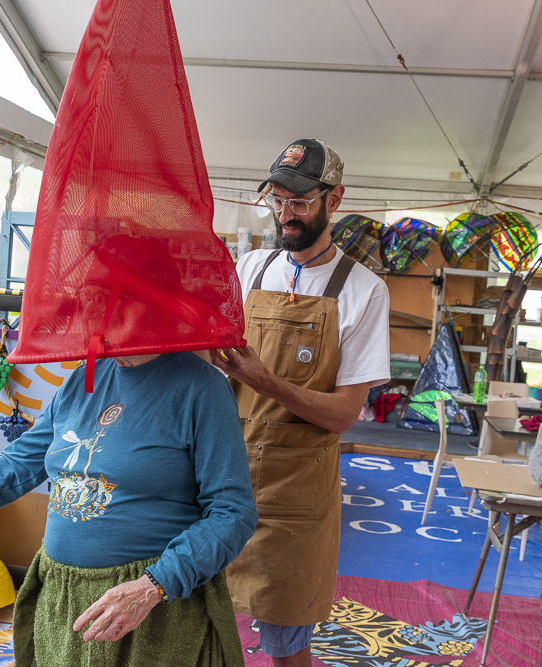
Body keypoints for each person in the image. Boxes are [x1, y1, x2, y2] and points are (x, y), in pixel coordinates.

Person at [0, 236, 257, 666]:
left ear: (147, 302)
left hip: (150, 612)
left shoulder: (201, 391)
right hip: (63, 598)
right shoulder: (84, 381)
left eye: (101, 299)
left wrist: (154, 585)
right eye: (87, 299)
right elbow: (15, 467)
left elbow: (232, 512)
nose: (87, 313)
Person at [212, 139, 390, 666]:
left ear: (334, 200)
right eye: (277, 201)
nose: (285, 215)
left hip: (296, 490)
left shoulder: (364, 291)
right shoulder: (250, 270)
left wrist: (266, 382)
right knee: (202, 616)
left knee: (286, 636)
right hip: (223, 473)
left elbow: (342, 415)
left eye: (300, 203)